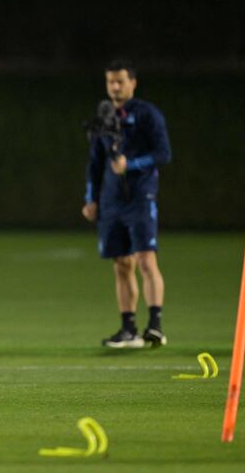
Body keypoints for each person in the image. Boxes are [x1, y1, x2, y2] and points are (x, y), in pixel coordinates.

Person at [82, 59, 172, 348]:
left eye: (121, 81)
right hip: (111, 202)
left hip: (141, 198)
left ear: (133, 83)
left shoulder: (148, 115)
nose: (115, 87)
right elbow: (95, 164)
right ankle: (128, 330)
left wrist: (131, 164)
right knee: (121, 264)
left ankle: (155, 326)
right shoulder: (104, 117)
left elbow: (163, 153)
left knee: (146, 260)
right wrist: (90, 199)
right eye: (111, 82)